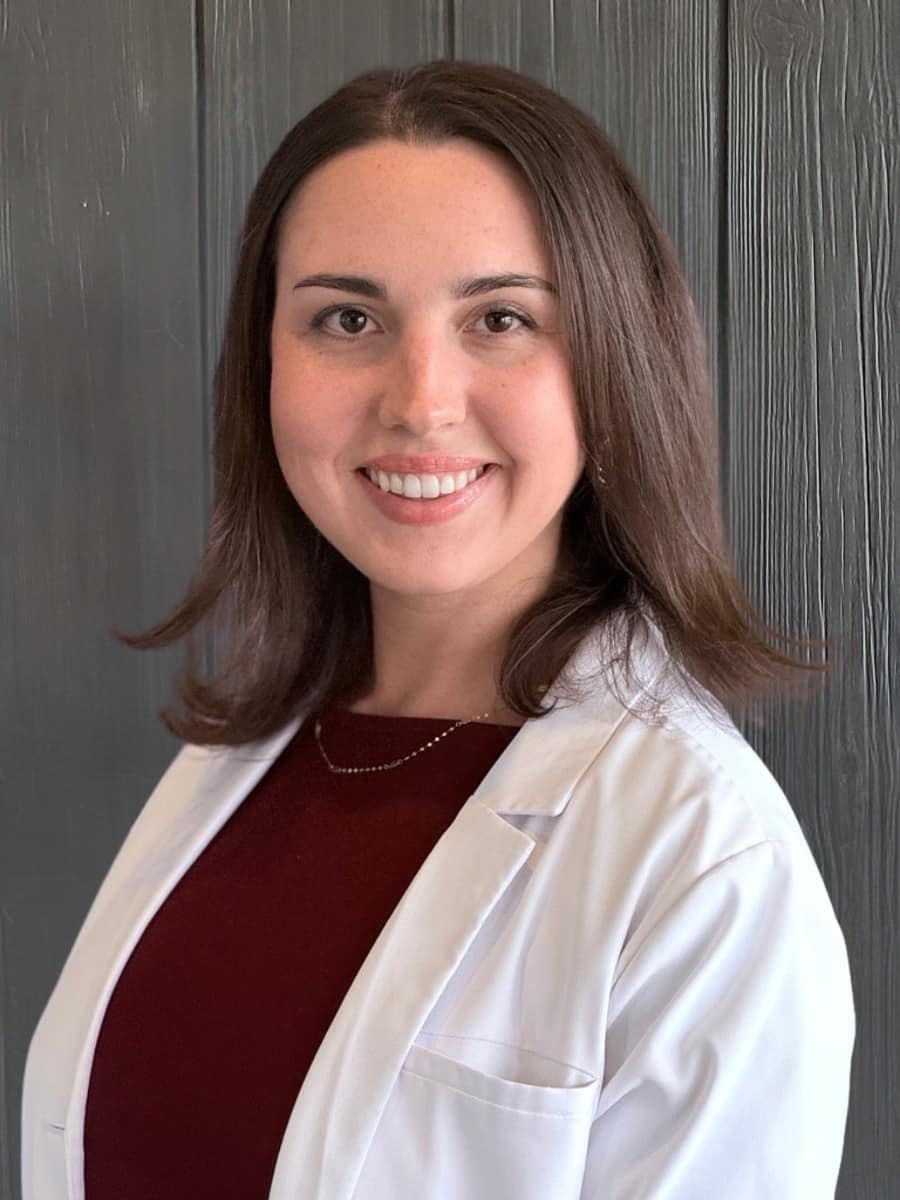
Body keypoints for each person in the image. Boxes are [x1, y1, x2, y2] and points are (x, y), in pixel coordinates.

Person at [21, 60, 854, 1199]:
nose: (419, 399)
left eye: (500, 318)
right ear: (265, 367)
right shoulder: (242, 762)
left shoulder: (705, 861)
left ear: (612, 367)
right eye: (347, 317)